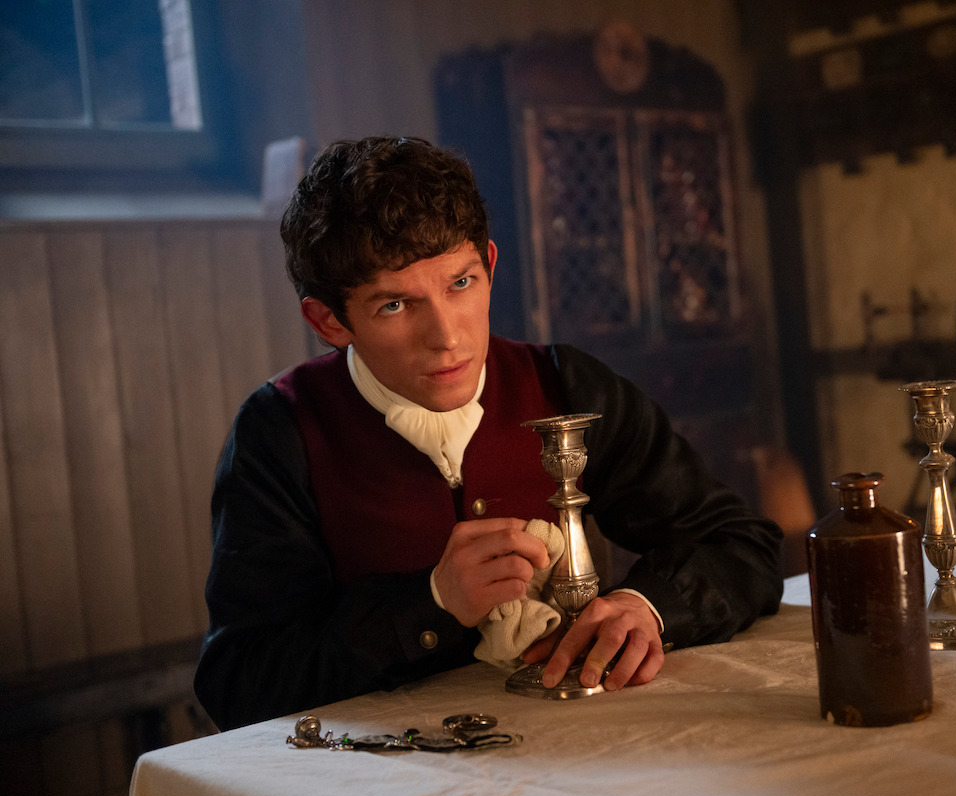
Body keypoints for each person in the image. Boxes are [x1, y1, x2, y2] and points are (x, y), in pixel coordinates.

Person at [194, 136, 783, 730]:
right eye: (395, 306)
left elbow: (741, 543)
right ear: (328, 320)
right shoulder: (280, 431)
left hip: (588, 755)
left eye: (461, 284)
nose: (447, 336)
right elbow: (240, 683)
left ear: (491, 267)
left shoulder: (568, 384)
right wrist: (432, 605)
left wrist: (648, 606)